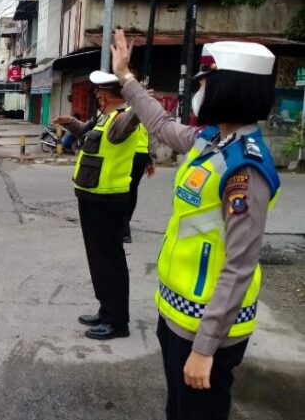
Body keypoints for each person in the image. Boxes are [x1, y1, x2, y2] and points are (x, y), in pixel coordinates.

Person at [111, 28, 280, 420]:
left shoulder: (245, 169)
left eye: (205, 82)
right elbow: (160, 124)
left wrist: (205, 348)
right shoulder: (211, 140)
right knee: (179, 410)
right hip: (177, 314)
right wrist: (126, 77)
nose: (198, 90)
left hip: (208, 330)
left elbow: (239, 266)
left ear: (230, 88)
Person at [51, 70, 143, 340]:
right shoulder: (104, 117)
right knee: (98, 260)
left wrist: (137, 98)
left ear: (104, 96)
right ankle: (106, 311)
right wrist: (69, 122)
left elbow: (131, 121)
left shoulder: (121, 119)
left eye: (97, 94)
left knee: (109, 261)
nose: (95, 98)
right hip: (92, 196)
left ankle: (117, 322)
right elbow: (87, 134)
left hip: (107, 199)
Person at [123, 120, 154, 243]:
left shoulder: (125, 114)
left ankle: (125, 231)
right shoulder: (145, 115)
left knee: (124, 190)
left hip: (130, 154)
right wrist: (150, 161)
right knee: (133, 189)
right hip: (142, 155)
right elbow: (150, 139)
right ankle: (126, 221)